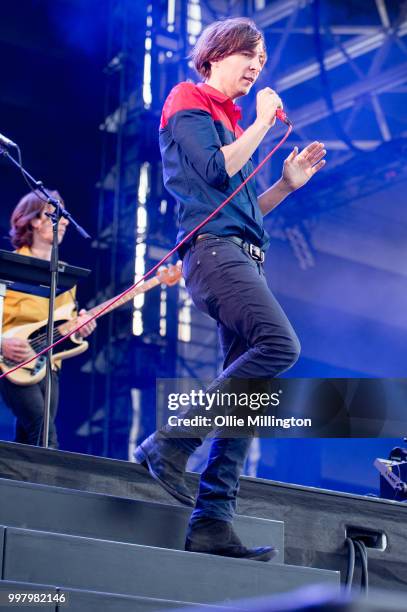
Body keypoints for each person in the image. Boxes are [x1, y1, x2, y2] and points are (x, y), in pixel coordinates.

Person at [135, 18, 326, 561]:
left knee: (249, 398)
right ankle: (171, 443)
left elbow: (242, 211)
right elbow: (217, 172)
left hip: (239, 250)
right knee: (281, 345)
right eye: (251, 57)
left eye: (263, 62)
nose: (257, 68)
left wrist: (285, 187)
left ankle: (213, 519)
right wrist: (264, 122)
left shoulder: (231, 121)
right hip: (214, 256)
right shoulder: (187, 99)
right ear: (218, 53)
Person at [0, 190, 96, 448]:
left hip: (48, 365)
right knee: (44, 435)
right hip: (10, 360)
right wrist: (1, 344)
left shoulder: (64, 277)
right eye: (56, 215)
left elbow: (66, 328)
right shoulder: (8, 266)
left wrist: (81, 327)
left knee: (29, 440)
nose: (64, 222)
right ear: (33, 220)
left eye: (65, 217)